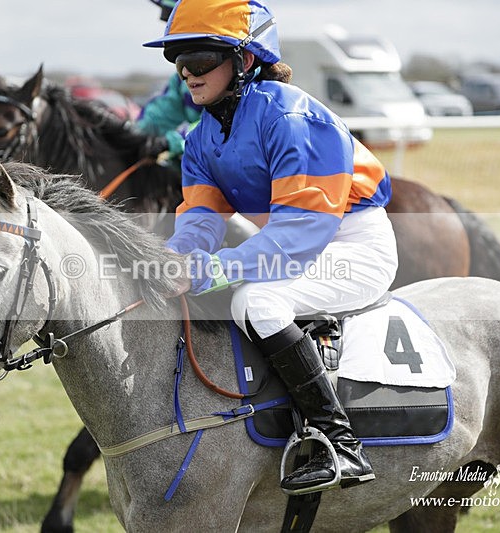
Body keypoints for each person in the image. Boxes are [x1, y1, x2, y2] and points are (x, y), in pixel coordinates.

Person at [145, 0, 398, 493]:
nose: (187, 76)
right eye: (178, 63)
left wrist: (209, 270)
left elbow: (300, 233)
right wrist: (176, 256)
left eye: (200, 61)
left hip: (351, 246)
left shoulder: (293, 116)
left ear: (242, 61)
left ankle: (340, 442)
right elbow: (200, 217)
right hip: (287, 243)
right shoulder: (200, 139)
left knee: (256, 300)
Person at [134, 0, 202, 160]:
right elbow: (161, 114)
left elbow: (219, 127)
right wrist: (132, 135)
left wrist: (172, 141)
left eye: (174, 21)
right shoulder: (179, 80)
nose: (169, 30)